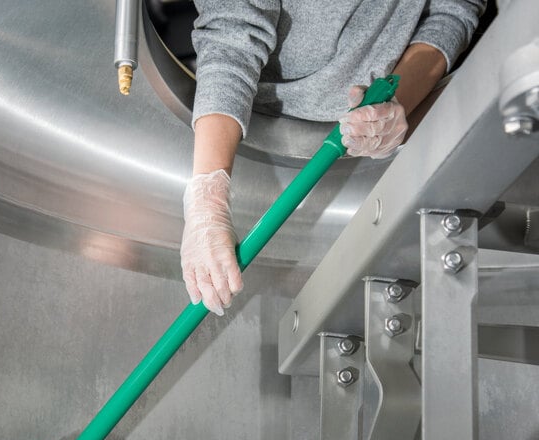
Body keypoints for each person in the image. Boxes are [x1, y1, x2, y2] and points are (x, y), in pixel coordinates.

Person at [181, 0, 487, 315]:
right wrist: (208, 195)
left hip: (377, 119)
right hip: (250, 110)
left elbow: (454, 10)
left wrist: (397, 103)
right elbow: (233, 31)